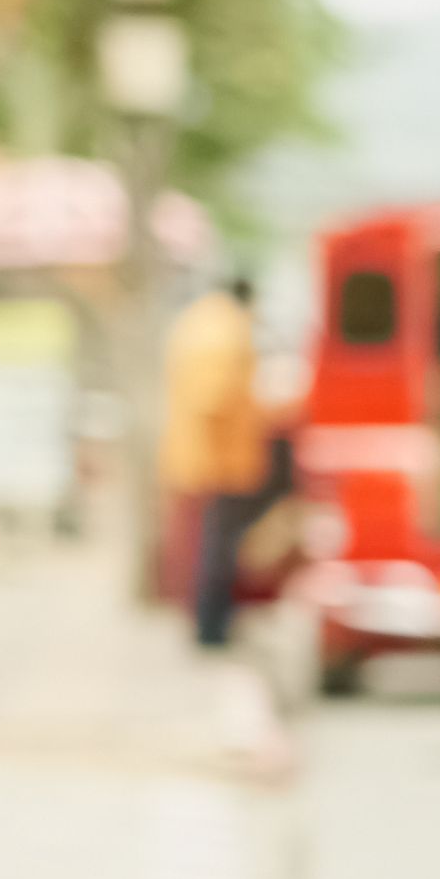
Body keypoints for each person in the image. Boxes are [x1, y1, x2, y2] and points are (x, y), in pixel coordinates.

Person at [157, 273, 273, 652]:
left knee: (209, 543)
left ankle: (210, 625)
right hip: (215, 462)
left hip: (204, 457)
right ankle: (211, 629)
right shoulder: (225, 327)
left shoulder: (202, 320)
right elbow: (213, 397)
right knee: (216, 547)